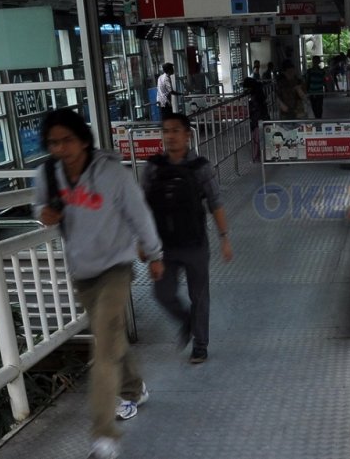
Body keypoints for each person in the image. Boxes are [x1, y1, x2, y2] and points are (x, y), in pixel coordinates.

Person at [34, 108, 164, 459]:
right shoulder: (48, 172)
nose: (61, 148)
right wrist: (44, 214)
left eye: (67, 140)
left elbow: (139, 213)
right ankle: (135, 388)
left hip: (115, 268)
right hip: (82, 271)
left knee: (103, 348)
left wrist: (154, 254)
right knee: (113, 336)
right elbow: (40, 208)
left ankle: (103, 434)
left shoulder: (111, 173)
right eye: (53, 142)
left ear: (83, 139)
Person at [142, 112, 233, 365]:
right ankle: (185, 320)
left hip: (195, 244)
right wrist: (142, 243)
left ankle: (200, 345)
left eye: (175, 131)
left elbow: (216, 202)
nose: (170, 136)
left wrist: (224, 237)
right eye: (166, 131)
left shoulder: (200, 167)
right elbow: (142, 208)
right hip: (163, 247)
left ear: (187, 134)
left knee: (199, 296)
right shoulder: (153, 168)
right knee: (162, 293)